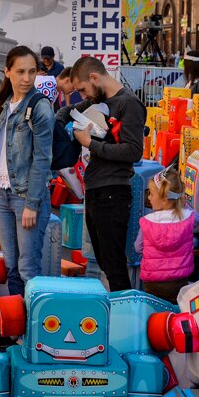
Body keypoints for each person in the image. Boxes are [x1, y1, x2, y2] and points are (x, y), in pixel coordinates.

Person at [57, 56, 146, 292]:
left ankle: (123, 314)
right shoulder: (98, 99)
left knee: (114, 264)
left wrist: (90, 143)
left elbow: (134, 151)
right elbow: (68, 111)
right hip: (96, 188)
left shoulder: (129, 103)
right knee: (105, 262)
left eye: (83, 90)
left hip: (113, 191)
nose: (83, 97)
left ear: (94, 78)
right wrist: (53, 124)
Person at [0, 46, 53, 296]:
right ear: (7, 72)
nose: (26, 78)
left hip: (26, 197)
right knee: (11, 265)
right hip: (2, 195)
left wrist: (32, 204)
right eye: (20, 71)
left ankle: (32, 329)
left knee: (28, 268)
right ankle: (14, 327)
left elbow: (43, 159)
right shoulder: (5, 106)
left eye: (32, 72)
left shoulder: (40, 107)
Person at [133, 168, 196, 304]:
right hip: (179, 281)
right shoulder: (188, 217)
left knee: (154, 312)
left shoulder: (147, 221)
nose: (149, 197)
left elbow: (138, 248)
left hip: (153, 282)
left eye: (151, 194)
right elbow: (198, 226)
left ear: (164, 200)